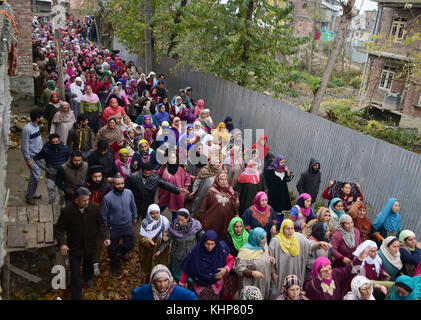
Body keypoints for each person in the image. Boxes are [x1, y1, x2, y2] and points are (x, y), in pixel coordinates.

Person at [54, 187, 110, 300]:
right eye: (83, 201)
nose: (86, 203)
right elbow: (59, 229)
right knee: (75, 272)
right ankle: (76, 295)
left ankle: (87, 278)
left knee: (88, 265)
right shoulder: (67, 211)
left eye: (87, 200)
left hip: (90, 245)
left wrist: (105, 237)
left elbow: (101, 224)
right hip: (74, 247)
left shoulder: (94, 207)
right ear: (76, 200)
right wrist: (62, 244)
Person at [269, 219, 331, 299]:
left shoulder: (299, 238)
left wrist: (319, 244)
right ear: (282, 229)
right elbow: (270, 260)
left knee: (295, 293)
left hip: (296, 272)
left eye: (292, 228)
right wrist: (273, 274)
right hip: (281, 275)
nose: (290, 231)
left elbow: (310, 245)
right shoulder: (276, 241)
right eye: (287, 229)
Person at [179, 230, 234, 300]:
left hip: (216, 286)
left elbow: (230, 260)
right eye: (207, 244)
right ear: (203, 242)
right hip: (199, 287)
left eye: (212, 244)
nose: (210, 247)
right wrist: (182, 284)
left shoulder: (222, 250)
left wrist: (226, 269)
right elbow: (187, 268)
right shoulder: (195, 253)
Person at [101, 175, 138, 275]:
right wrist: (106, 229)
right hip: (114, 227)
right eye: (118, 184)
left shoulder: (129, 193)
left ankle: (122, 251)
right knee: (112, 250)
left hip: (127, 225)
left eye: (122, 183)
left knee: (130, 244)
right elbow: (103, 215)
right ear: (113, 184)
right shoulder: (107, 198)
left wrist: (135, 217)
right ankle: (115, 266)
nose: (120, 186)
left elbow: (133, 206)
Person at [157, 208, 204, 284]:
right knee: (176, 274)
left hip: (190, 255)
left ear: (188, 218)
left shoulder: (195, 226)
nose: (179, 222)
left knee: (189, 274)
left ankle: (189, 285)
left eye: (182, 220)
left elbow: (203, 237)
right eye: (178, 219)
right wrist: (160, 250)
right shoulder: (173, 226)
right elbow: (168, 239)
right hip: (177, 256)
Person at [234, 227, 274, 300]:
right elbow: (238, 268)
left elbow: (263, 258)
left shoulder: (263, 247)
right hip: (251, 285)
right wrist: (252, 273)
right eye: (262, 238)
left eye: (265, 237)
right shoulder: (245, 251)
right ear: (255, 238)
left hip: (264, 284)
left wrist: (270, 258)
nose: (265, 240)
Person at [199, 171, 239, 238]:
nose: (224, 181)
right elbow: (204, 206)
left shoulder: (230, 191)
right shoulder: (211, 191)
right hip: (214, 221)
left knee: (224, 236)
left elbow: (234, 204)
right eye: (221, 180)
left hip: (227, 219)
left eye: (225, 179)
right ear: (217, 180)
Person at [34, 133, 70, 204]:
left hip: (62, 175)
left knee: (63, 193)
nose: (55, 144)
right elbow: (36, 158)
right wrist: (44, 167)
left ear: (60, 140)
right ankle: (51, 207)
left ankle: (61, 207)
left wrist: (65, 166)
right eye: (53, 142)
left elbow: (69, 159)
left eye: (57, 142)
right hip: (50, 175)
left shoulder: (65, 148)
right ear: (50, 142)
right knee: (51, 194)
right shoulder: (46, 150)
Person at [138, 204, 171, 283]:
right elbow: (141, 239)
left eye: (157, 213)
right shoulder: (145, 223)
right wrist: (148, 241)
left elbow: (169, 233)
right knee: (150, 267)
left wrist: (166, 236)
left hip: (161, 251)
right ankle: (149, 280)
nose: (156, 215)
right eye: (153, 213)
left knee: (160, 268)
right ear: (149, 213)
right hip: (149, 251)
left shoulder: (165, 221)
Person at [131, 264, 198, 300]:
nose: (163, 285)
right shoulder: (143, 291)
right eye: (159, 281)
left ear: (170, 280)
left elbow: (192, 297)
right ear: (153, 282)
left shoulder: (179, 292)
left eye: (165, 280)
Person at [157, 151, 191, 221]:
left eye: (174, 157)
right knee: (160, 207)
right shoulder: (163, 168)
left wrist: (185, 187)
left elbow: (187, 177)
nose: (172, 159)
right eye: (170, 157)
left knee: (176, 211)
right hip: (165, 193)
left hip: (177, 195)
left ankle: (174, 225)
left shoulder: (181, 169)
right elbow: (156, 176)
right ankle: (154, 219)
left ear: (176, 159)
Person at [21, 109, 44, 205]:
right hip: (32, 158)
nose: (42, 118)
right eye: (41, 117)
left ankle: (33, 193)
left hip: (38, 157)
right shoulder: (27, 129)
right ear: (37, 118)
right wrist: (28, 159)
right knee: (36, 176)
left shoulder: (37, 127)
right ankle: (29, 196)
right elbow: (24, 146)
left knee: (33, 177)